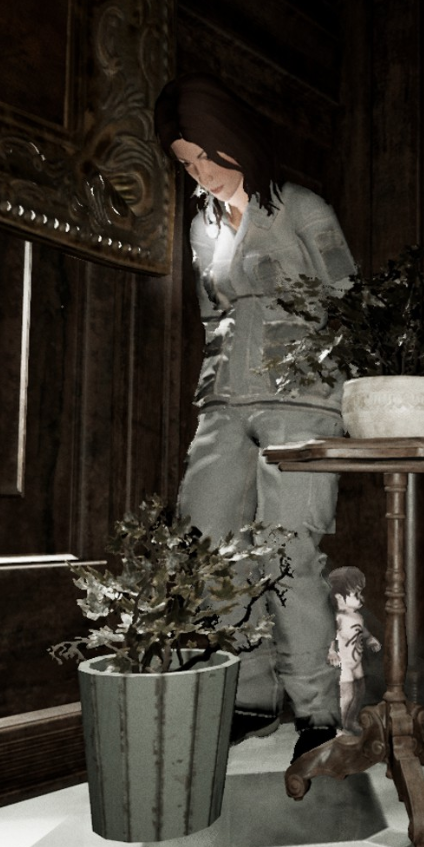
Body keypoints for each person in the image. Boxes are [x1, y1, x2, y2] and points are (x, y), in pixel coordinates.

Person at [155, 73, 357, 761]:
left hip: (302, 401)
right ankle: (249, 695)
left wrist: (349, 396)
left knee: (291, 553)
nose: (202, 173)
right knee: (210, 547)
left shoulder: (301, 208)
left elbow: (350, 300)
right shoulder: (201, 225)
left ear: (234, 140)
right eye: (188, 164)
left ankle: (317, 712)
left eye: (207, 156)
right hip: (223, 403)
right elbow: (209, 315)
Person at [325, 566, 381, 735]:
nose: (361, 598)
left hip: (356, 662)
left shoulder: (358, 616)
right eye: (355, 595)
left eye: (360, 593)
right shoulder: (338, 618)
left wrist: (370, 639)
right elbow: (330, 635)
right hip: (344, 663)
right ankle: (339, 726)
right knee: (347, 695)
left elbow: (362, 630)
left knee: (360, 692)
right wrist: (331, 651)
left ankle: (350, 720)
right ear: (339, 598)